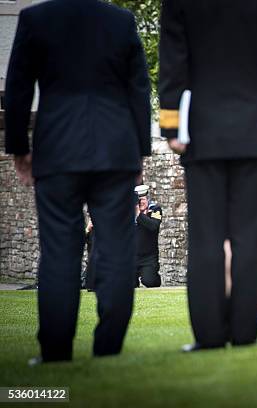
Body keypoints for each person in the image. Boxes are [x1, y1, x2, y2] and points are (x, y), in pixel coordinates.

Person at [4, 0, 151, 364]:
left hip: (58, 146)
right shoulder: (120, 20)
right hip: (114, 148)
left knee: (59, 250)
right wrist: (140, 152)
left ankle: (55, 350)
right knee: (117, 248)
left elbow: (18, 85)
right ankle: (110, 345)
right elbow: (138, 89)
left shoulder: (36, 18)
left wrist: (19, 147)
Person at [159, 0, 257, 351]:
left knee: (206, 237)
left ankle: (209, 335)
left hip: (203, 131)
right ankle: (246, 331)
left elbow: (174, 61)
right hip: (252, 130)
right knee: (250, 234)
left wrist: (171, 124)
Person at [134, 185, 162, 288]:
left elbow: (154, 226)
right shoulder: (128, 213)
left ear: (147, 199)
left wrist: (139, 215)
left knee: (149, 281)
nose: (141, 202)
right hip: (131, 257)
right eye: (138, 200)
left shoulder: (155, 209)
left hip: (149, 258)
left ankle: (155, 277)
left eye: (143, 199)